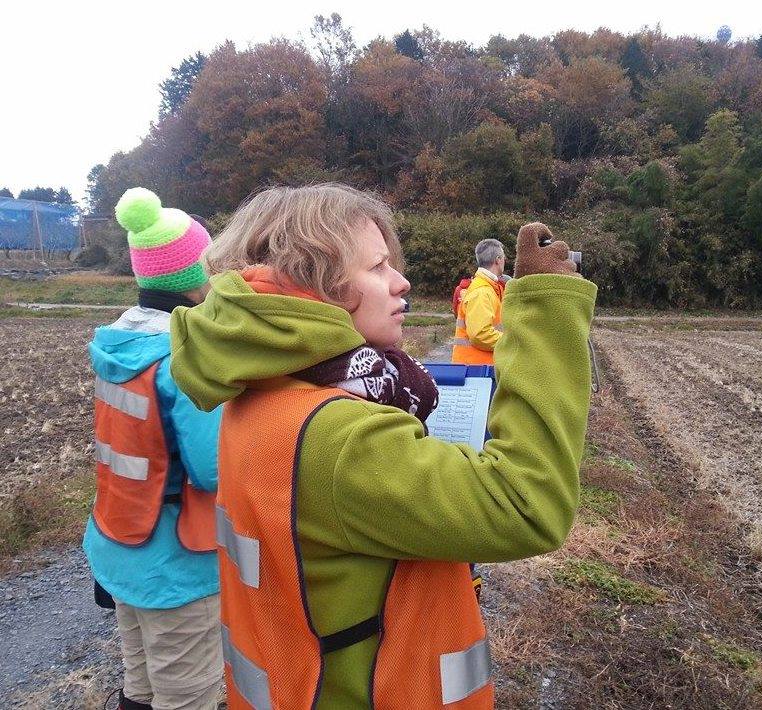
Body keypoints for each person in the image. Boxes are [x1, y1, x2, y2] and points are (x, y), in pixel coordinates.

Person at [169, 183, 597, 709]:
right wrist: (549, 313)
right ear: (312, 285)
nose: (401, 282)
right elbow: (526, 505)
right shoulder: (340, 437)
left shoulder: (262, 394)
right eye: (375, 268)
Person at [83, 188, 223, 710]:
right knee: (187, 693)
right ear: (194, 281)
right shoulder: (185, 360)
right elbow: (213, 471)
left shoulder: (117, 343)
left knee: (140, 681)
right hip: (176, 561)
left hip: (119, 540)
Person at [451, 239, 508, 365]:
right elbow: (480, 335)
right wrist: (511, 342)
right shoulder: (482, 292)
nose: (505, 260)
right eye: (503, 257)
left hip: (477, 367)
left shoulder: (488, 287)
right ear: (498, 260)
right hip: (476, 369)